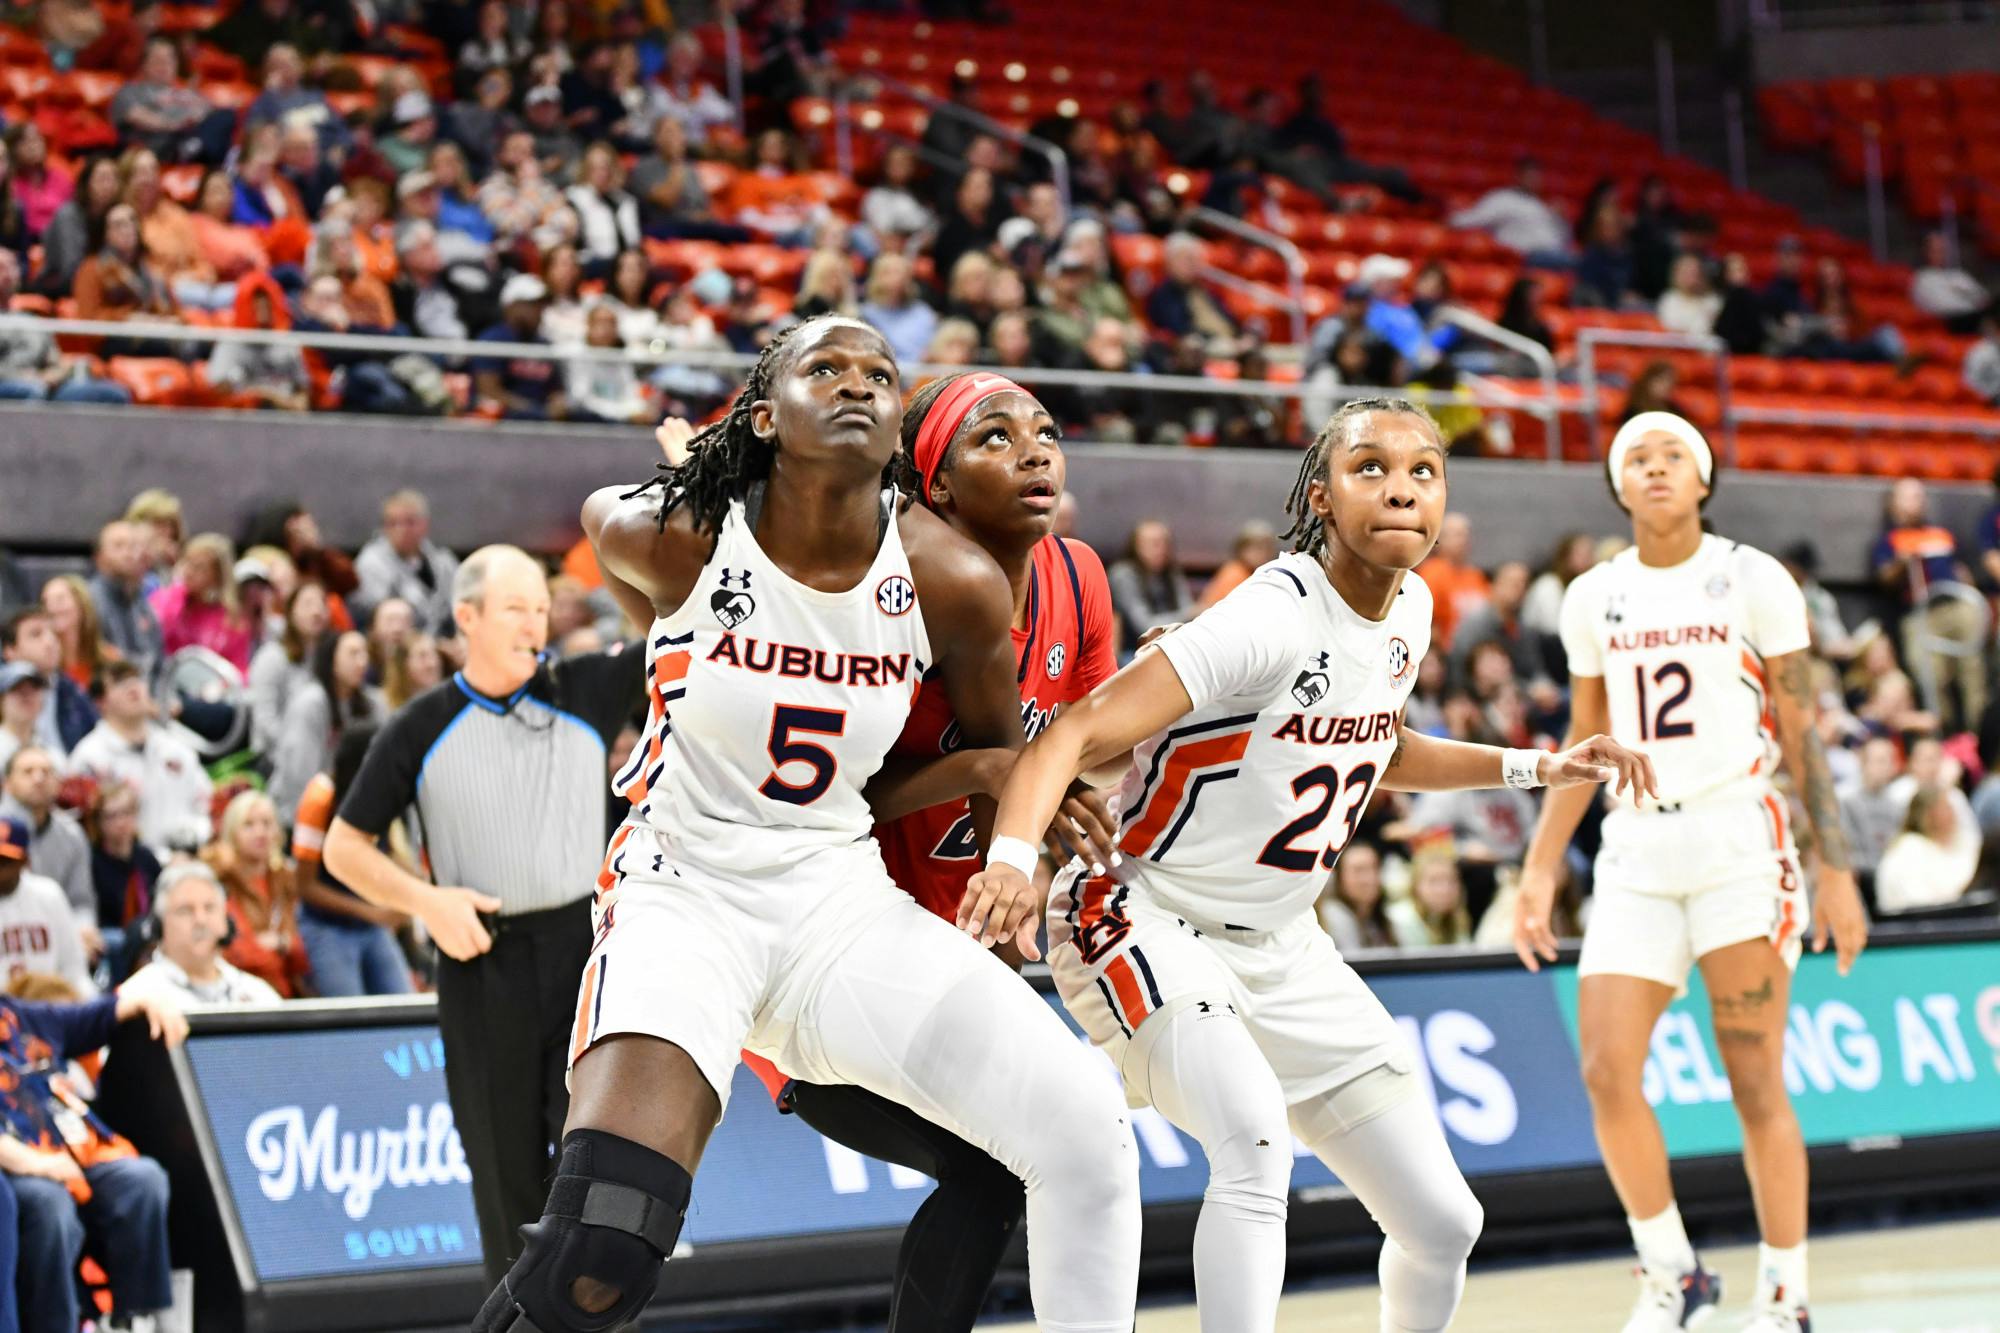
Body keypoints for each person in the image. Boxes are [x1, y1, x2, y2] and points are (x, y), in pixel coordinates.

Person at [459, 316, 1142, 1332]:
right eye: (825, 367)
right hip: (685, 890)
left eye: (879, 371)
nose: (858, 383)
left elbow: (1006, 755)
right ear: (765, 413)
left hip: (836, 896)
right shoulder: (676, 531)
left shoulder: (950, 579)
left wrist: (1028, 838)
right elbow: (614, 541)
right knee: (600, 1247)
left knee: (1086, 1123)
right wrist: (673, 625)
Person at [962, 396, 1651, 1332]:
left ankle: (1088, 1089)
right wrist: (1011, 854)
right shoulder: (1269, 613)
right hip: (1141, 909)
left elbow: (1381, 745)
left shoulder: (1407, 606)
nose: (1402, 488)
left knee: (1445, 1221)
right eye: (1371, 468)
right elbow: (1080, 726)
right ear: (1320, 496)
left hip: (1284, 944)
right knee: (1251, 1145)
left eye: (1423, 471)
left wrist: (1535, 765)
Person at [662, 366, 1122, 1330]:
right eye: (996, 438)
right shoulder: (888, 594)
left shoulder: (1078, 578)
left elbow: (1082, 752)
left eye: (1044, 429)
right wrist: (984, 773)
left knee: (1047, 1154)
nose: (1036, 449)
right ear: (938, 485)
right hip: (840, 959)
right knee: (1002, 1168)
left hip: (968, 957)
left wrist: (1040, 827)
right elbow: (828, 800)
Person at [1513, 411, 1871, 1333]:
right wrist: (1539, 868)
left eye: (1675, 453)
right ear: (1618, 483)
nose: (1657, 465)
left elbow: (1800, 730)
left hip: (1737, 840)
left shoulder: (1751, 577)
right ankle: (1675, 1275)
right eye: (1638, 455)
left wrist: (1836, 869)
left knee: (1754, 1075)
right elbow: (1582, 742)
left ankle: (1786, 1296)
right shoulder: (1591, 594)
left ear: (1703, 478)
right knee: (1604, 1067)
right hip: (1636, 846)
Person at [321, 544, 644, 1287]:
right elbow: (343, 846)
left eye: (541, 606)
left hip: (583, 955)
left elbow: (678, 622)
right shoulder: (417, 724)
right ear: (466, 618)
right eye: (515, 608)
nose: (536, 622)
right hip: (480, 962)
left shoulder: (585, 687)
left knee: (600, 1171)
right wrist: (425, 900)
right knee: (505, 1181)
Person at [0, 972, 184, 1333]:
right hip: (16, 1164)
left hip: (70, 1149)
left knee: (141, 1180)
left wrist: (149, 998)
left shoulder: (20, 1017)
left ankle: (135, 1318)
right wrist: (39, 1164)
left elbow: (98, 1015)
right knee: (49, 1204)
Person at [291, 727, 413, 997]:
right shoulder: (319, 798)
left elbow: (385, 853)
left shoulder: (383, 794)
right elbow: (305, 886)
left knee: (404, 1004)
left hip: (372, 926)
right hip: (327, 927)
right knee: (350, 1019)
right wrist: (372, 911)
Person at [65, 661, 214, 857]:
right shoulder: (90, 757)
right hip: (125, 869)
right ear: (100, 702)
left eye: (136, 680)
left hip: (185, 861)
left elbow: (206, 804)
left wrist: (193, 836)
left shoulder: (176, 748)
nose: (133, 687)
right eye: (119, 683)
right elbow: (83, 828)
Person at [1873, 478, 1982, 733]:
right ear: (1894, 504)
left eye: (1920, 497)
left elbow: (1961, 568)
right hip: (1921, 613)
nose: (1917, 503)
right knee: (1932, 678)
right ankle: (1942, 735)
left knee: (1974, 673)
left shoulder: (1940, 534)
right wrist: (1903, 561)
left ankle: (1979, 739)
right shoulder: (1891, 541)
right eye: (1909, 497)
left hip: (1956, 604)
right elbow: (1884, 579)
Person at [120, 859, 282, 1006]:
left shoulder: (258, 994)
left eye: (209, 908)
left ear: (226, 922)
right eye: (185, 910)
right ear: (159, 925)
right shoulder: (135, 997)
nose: (201, 920)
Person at [204, 789, 310, 998]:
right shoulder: (219, 879)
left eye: (267, 824)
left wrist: (281, 943)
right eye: (249, 825)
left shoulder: (287, 880)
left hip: (286, 994)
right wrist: (277, 950)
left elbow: (302, 954)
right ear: (232, 832)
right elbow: (237, 954)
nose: (260, 832)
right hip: (237, 993)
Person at [268, 630, 381, 821]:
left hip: (345, 806)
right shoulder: (310, 703)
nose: (362, 662)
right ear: (332, 661)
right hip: (300, 810)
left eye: (364, 653)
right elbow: (300, 773)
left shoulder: (370, 703)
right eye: (353, 653)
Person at [0, 748, 94, 932]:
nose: (38, 779)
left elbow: (81, 901)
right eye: (28, 772)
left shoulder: (72, 833)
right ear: (7, 783)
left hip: (58, 931)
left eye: (46, 772)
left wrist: (83, 930)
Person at [0, 816, 94, 994]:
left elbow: (74, 971)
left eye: (5, 861)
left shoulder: (49, 896)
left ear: (25, 861)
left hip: (48, 1009)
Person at [353, 490, 460, 637]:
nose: (401, 529)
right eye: (393, 523)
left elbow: (460, 606)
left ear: (424, 524)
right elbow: (377, 618)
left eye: (409, 522)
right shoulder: (371, 563)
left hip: (445, 645)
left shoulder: (444, 563)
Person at [82, 780, 159, 983]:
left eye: (126, 813)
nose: (121, 822)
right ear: (98, 822)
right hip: (109, 939)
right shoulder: (92, 860)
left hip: (146, 934)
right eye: (111, 816)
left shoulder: (145, 857)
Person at [149, 533, 253, 675]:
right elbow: (157, 630)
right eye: (187, 563)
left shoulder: (232, 619)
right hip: (166, 677)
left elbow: (238, 668)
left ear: (216, 576)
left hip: (210, 687)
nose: (189, 572)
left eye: (199, 568)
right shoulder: (168, 598)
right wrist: (178, 593)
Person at [246, 582, 329, 757]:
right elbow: (264, 719)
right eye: (308, 604)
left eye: (322, 604)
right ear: (291, 612)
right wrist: (296, 749)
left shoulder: (326, 659)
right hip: (272, 759)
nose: (316, 611)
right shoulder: (272, 657)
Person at [2, 608, 97, 757]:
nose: (50, 641)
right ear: (10, 651)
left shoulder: (73, 691)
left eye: (53, 633)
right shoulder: (4, 690)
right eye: (36, 634)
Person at [1874, 783, 1978, 914]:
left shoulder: (1965, 842)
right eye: (1945, 807)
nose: (1952, 813)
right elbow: (1918, 904)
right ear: (1927, 815)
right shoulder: (1908, 850)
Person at [1448, 157, 1572, 265]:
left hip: (1555, 255)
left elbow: (1564, 239)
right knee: (1580, 264)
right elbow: (1475, 218)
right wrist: (1450, 219)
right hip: (1527, 256)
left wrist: (1560, 219)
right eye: (1529, 174)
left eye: (1537, 175)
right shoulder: (1503, 198)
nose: (1534, 179)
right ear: (1518, 176)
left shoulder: (1541, 205)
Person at [1107, 519, 1197, 654]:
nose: (1161, 549)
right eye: (1154, 544)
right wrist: (1190, 613)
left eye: (1165, 543)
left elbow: (1189, 613)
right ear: (1136, 546)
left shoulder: (1172, 572)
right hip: (1132, 651)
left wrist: (1191, 613)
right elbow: (1145, 626)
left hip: (1169, 647)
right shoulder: (1123, 574)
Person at [88, 522, 164, 682]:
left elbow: (158, 664)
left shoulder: (143, 605)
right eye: (118, 546)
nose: (128, 553)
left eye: (133, 546)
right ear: (99, 557)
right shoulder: (89, 602)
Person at [1314, 839, 1395, 953]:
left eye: (1375, 868)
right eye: (1359, 870)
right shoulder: (1334, 917)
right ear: (1339, 877)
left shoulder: (1380, 919)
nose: (1370, 878)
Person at [1910, 231, 1993, 335]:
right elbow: (1940, 307)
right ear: (1926, 252)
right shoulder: (1921, 279)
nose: (1941, 254)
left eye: (1944, 250)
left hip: (1975, 316)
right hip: (1950, 322)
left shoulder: (1958, 274)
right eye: (1936, 250)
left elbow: (1983, 296)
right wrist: (1972, 303)